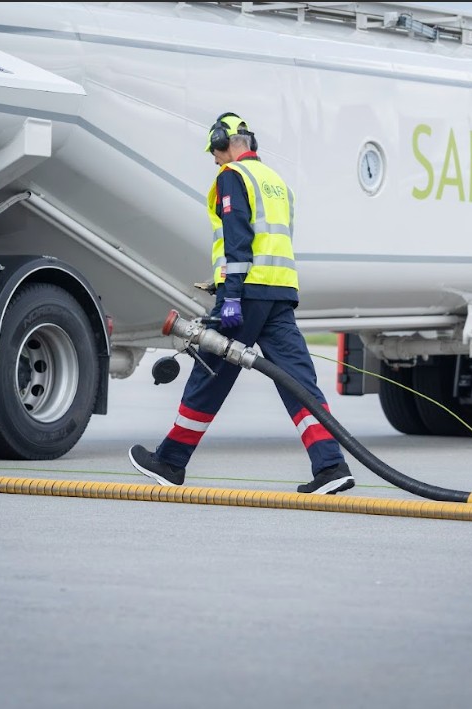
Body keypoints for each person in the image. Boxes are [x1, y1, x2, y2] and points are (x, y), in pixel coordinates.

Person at [129, 112, 354, 495]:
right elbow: (272, 243)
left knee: (209, 375)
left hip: (246, 295)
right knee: (299, 382)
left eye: (214, 151)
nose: (214, 160)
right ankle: (331, 466)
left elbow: (238, 239)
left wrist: (230, 294)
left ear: (223, 140)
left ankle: (170, 462)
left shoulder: (232, 177)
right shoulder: (276, 182)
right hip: (279, 295)